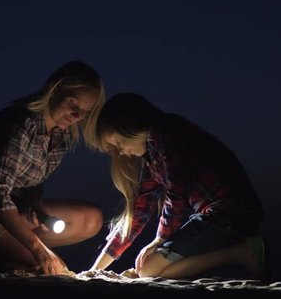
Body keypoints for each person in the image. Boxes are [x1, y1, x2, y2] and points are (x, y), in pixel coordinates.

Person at [0, 60, 106, 276]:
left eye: (84, 111)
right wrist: (39, 249)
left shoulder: (61, 137)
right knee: (49, 269)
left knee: (90, 220)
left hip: (11, 209)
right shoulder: (22, 123)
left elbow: (32, 186)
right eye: (73, 103)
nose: (76, 115)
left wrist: (39, 211)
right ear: (55, 90)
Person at [89, 92, 267, 279]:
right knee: (147, 269)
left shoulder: (167, 134)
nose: (122, 153)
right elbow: (139, 211)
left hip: (230, 215)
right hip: (217, 216)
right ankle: (239, 251)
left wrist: (160, 239)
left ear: (132, 125)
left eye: (119, 143)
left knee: (148, 270)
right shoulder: (153, 157)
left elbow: (177, 193)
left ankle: (240, 252)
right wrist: (95, 268)